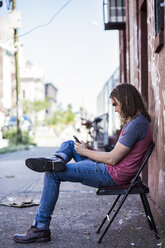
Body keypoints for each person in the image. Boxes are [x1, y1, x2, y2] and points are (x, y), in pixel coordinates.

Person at [13, 83, 153, 243]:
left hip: (112, 175)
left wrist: (86, 152)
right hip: (111, 169)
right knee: (71, 144)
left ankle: (40, 228)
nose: (115, 109)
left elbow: (112, 159)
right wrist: (90, 149)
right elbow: (114, 156)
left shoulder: (135, 125)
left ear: (126, 100)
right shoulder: (139, 122)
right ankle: (57, 160)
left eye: (115, 104)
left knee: (52, 174)